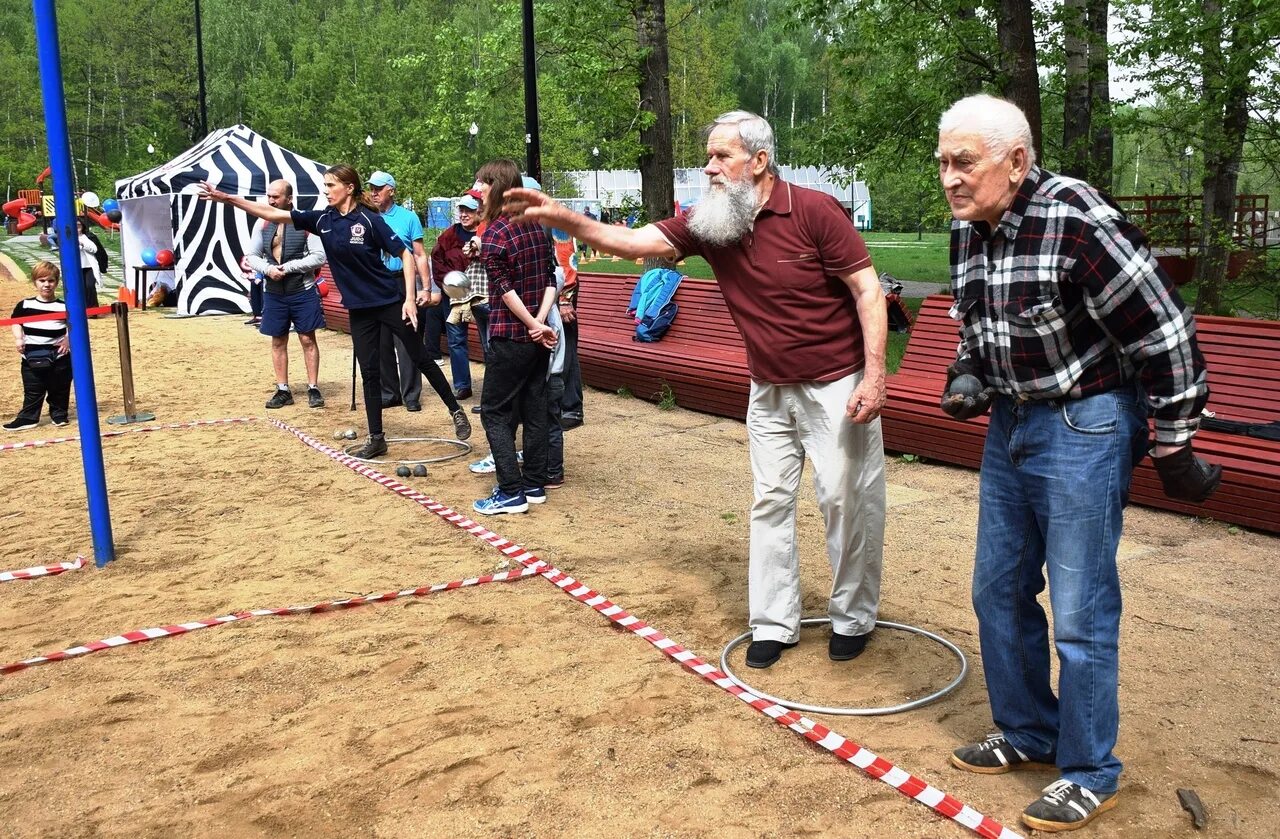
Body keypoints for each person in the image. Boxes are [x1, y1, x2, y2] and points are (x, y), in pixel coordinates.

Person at [504, 111, 888, 668]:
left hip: (835, 380)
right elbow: (634, 242)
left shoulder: (813, 211)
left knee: (845, 499)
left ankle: (853, 616)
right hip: (769, 386)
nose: (708, 167)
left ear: (758, 162)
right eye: (707, 156)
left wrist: (874, 376)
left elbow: (867, 291)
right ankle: (774, 623)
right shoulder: (711, 220)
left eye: (720, 156)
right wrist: (566, 217)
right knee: (770, 500)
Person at [934, 94, 1221, 833]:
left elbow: (1165, 328)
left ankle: (1091, 768)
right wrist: (968, 369)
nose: (949, 178)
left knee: (1082, 610)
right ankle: (1029, 729)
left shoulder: (1077, 219)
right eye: (942, 162)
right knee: (996, 590)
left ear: (1018, 161)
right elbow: (973, 316)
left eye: (964, 162)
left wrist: (1176, 439)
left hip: (1085, 421)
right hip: (1012, 421)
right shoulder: (971, 227)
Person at [199, 165, 470, 457]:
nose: (326, 190)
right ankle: (377, 438)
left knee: (420, 357)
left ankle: (455, 410)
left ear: (349, 188)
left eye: (331, 185)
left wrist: (408, 298)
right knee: (370, 372)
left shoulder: (369, 219)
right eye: (324, 185)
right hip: (359, 309)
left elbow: (405, 254)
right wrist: (227, 199)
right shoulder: (323, 220)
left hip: (388, 302)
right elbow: (272, 214)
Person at [471, 159, 559, 515]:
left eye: (480, 186)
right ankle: (534, 483)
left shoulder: (494, 233)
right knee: (535, 409)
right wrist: (539, 324)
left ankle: (510, 490)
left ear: (495, 186)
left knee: (494, 410)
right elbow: (553, 278)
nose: (477, 193)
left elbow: (505, 290)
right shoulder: (537, 226)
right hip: (537, 337)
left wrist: (531, 324)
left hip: (512, 337)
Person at [243, 178, 328, 410]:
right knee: (278, 340)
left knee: (307, 338)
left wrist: (289, 267)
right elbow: (251, 255)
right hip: (274, 292)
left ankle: (313, 388)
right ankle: (283, 390)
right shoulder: (262, 223)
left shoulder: (305, 222)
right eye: (269, 196)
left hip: (302, 290)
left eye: (276, 196)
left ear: (289, 199)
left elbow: (319, 256)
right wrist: (268, 269)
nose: (270, 200)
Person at [366, 171, 433, 412]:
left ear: (391, 190)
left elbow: (419, 254)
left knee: (407, 337)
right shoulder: (366, 216)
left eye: (379, 188)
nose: (374, 192)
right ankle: (389, 392)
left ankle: (411, 394)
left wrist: (425, 287)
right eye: (371, 188)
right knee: (381, 340)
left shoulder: (408, 217)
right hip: (376, 281)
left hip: (400, 280)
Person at [431, 189, 486, 401]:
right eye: (461, 210)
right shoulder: (448, 236)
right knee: (456, 339)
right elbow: (437, 261)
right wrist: (451, 284)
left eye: (469, 210)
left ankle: (493, 386)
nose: (464, 214)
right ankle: (462, 385)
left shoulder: (486, 234)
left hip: (482, 294)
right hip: (454, 296)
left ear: (479, 212)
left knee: (489, 340)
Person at [5, 261, 72, 431]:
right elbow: (16, 323)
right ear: (35, 282)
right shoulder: (25, 305)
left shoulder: (64, 306)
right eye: (42, 281)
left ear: (56, 282)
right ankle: (28, 417)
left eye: (50, 281)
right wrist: (19, 338)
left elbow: (74, 326)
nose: (46, 285)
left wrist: (67, 339)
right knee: (33, 389)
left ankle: (59, 414)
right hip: (31, 355)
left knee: (59, 388)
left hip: (58, 356)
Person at [76, 218, 103, 310]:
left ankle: (93, 310)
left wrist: (82, 244)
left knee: (90, 286)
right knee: (80, 288)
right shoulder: (68, 238)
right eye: (75, 225)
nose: (77, 227)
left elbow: (94, 249)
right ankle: (83, 308)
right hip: (76, 268)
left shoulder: (88, 236)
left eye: (79, 225)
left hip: (89, 267)